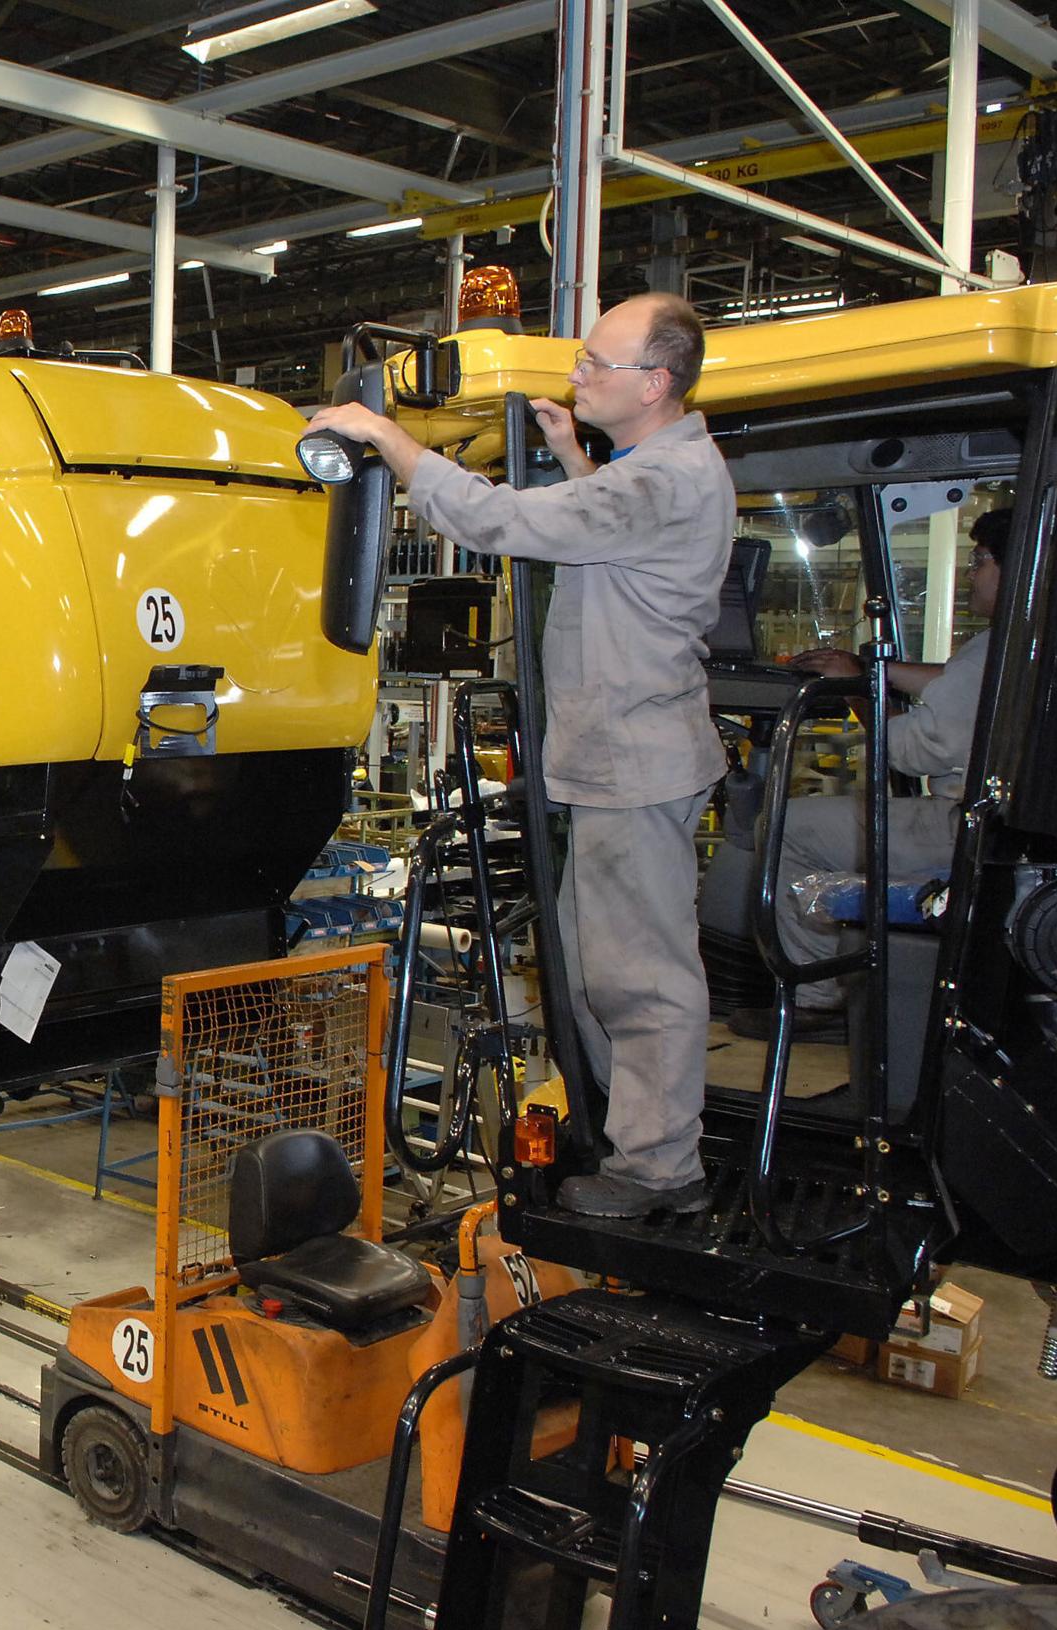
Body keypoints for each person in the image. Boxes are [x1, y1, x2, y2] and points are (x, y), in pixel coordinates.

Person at [305, 292, 734, 1219]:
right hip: (613, 759)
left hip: (636, 762)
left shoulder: (664, 483)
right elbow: (600, 537)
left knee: (639, 977)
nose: (578, 376)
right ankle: (630, 1143)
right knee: (591, 968)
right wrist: (578, 456)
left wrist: (393, 441)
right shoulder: (648, 474)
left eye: (595, 366)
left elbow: (511, 527)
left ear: (655, 383)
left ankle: (661, 1169)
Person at [734, 508, 1011, 1041]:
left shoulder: (999, 647)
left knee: (789, 826)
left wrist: (861, 693)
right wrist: (868, 668)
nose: (973, 572)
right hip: (991, 823)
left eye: (980, 560)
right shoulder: (1024, 639)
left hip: (966, 828)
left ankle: (816, 999)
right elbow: (954, 683)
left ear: (1012, 565)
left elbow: (911, 752)